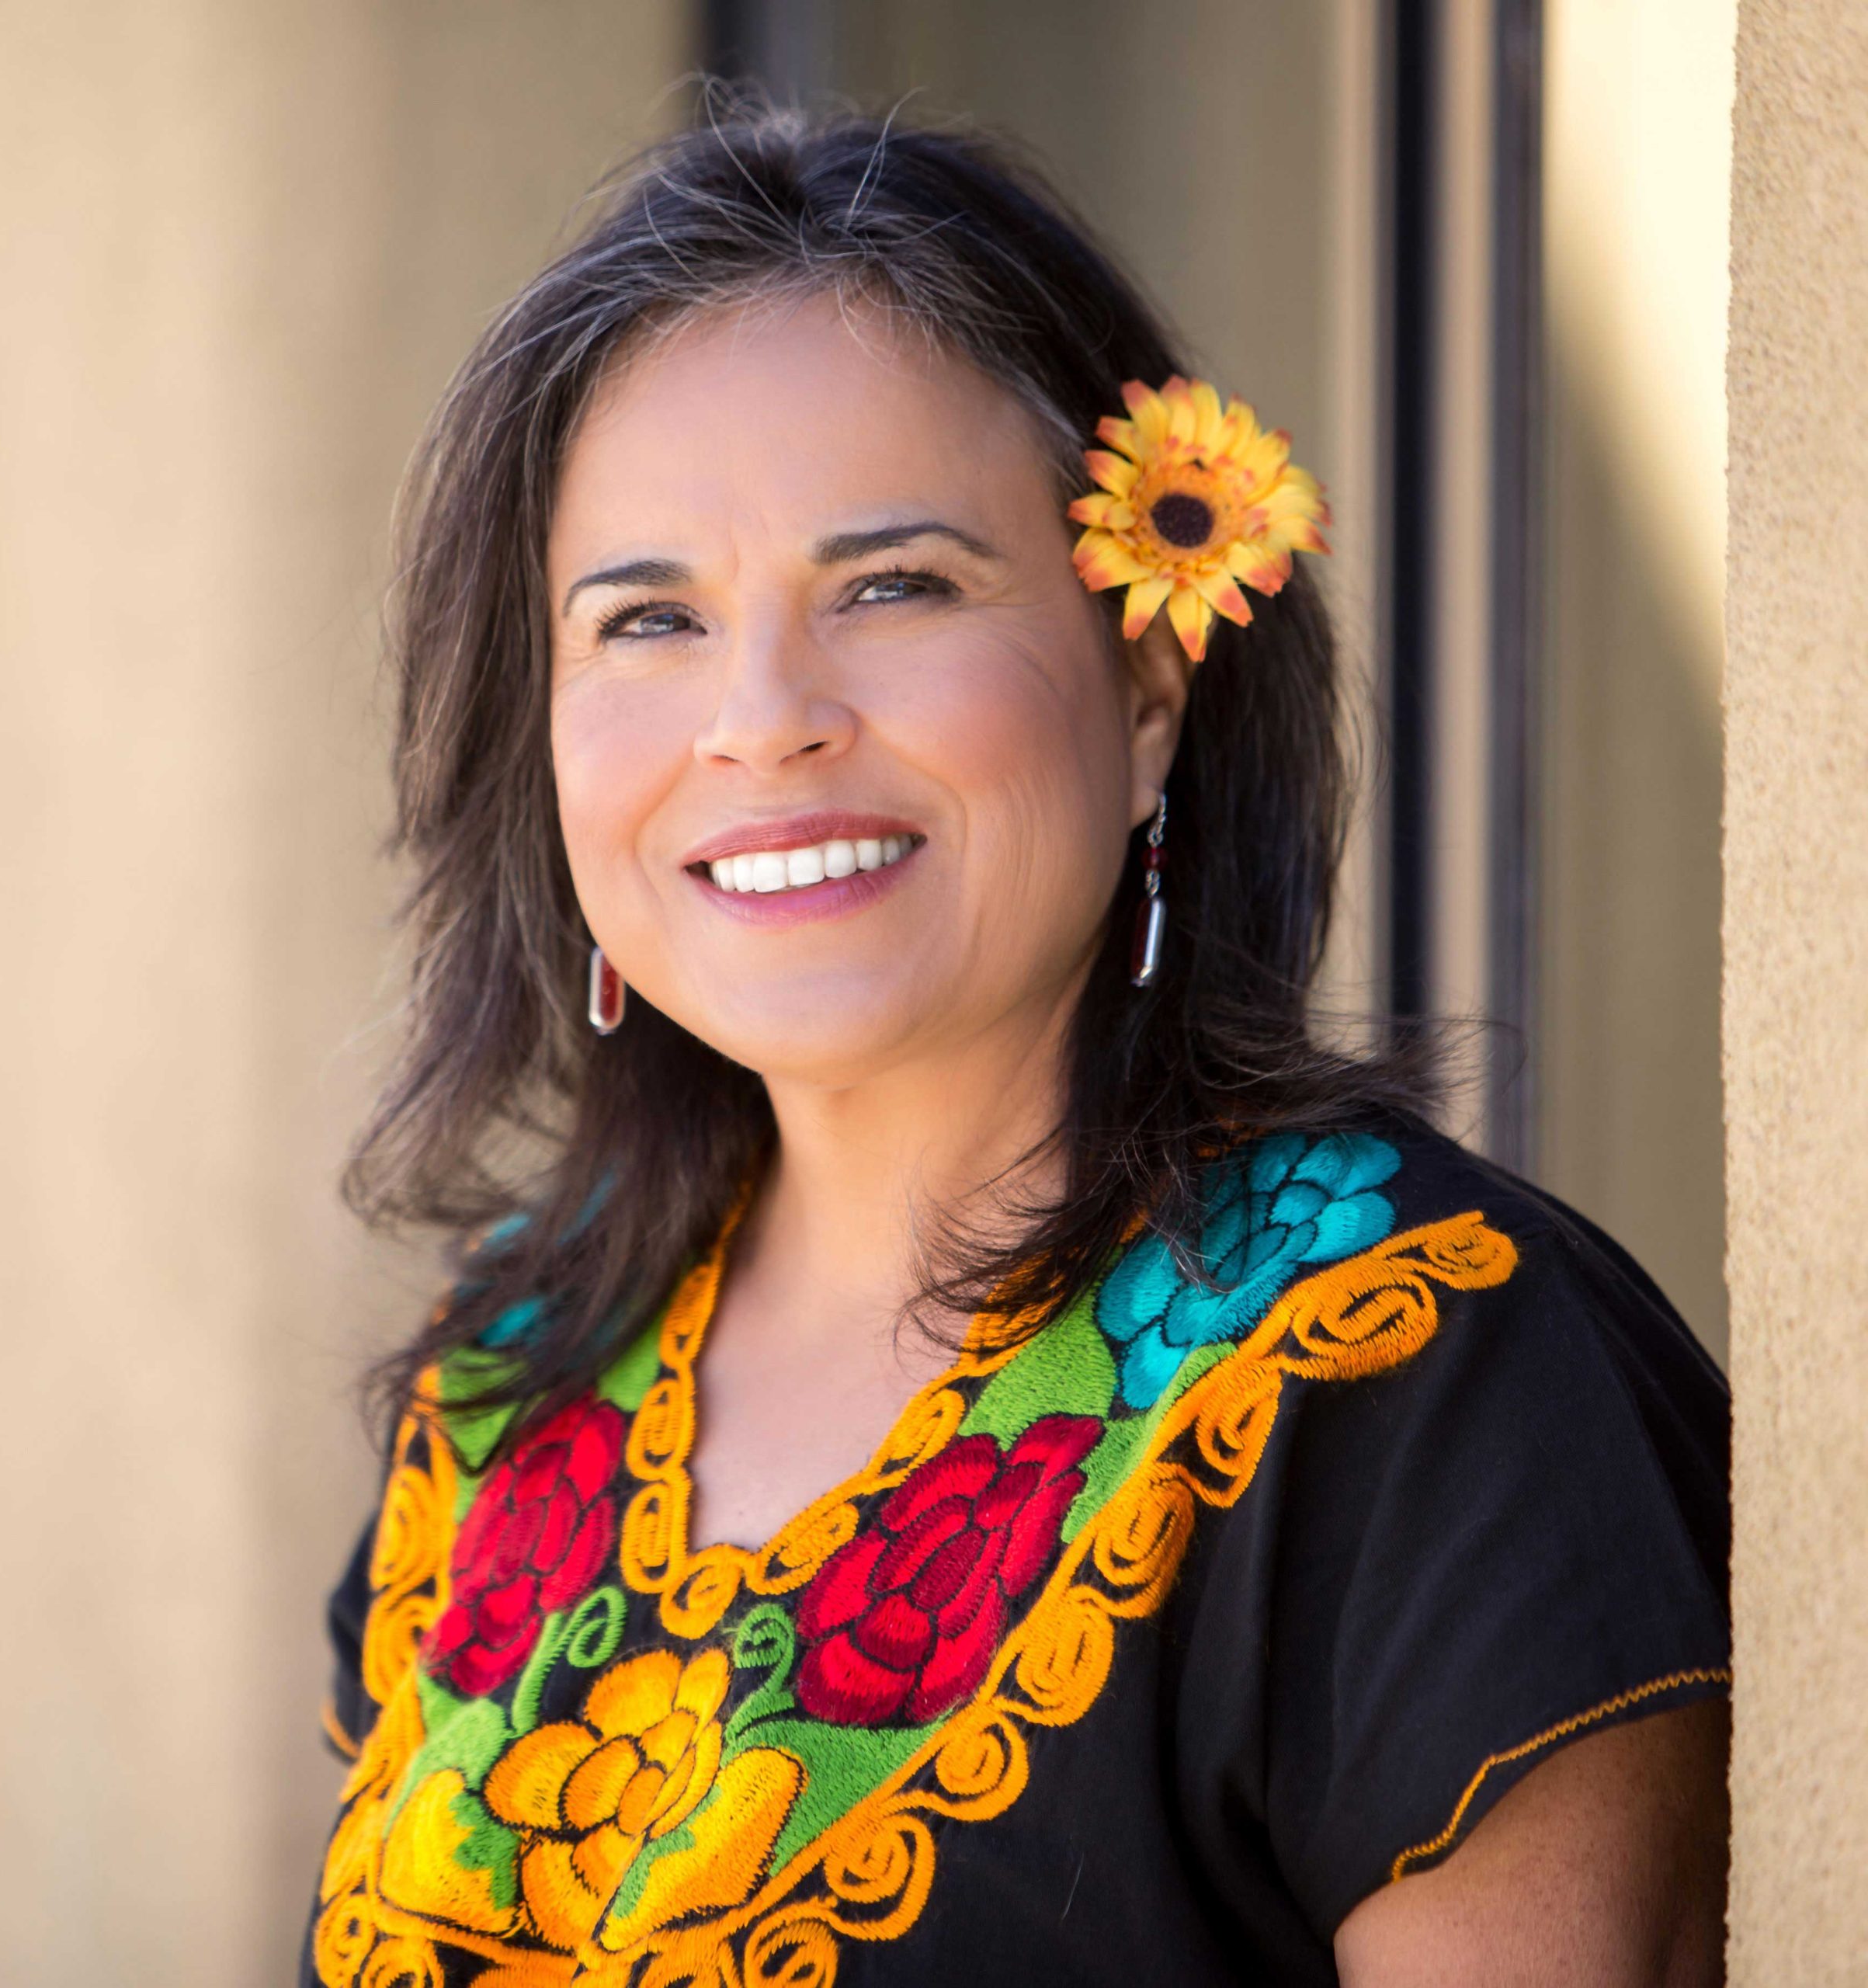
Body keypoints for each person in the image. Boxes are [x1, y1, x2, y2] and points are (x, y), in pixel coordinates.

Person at [304, 103, 1730, 1988]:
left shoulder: (1410, 1364)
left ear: (1145, 685)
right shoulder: (508, 1373)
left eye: (891, 585)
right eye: (646, 618)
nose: (760, 719)